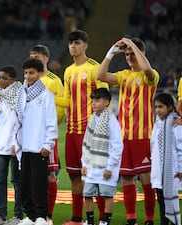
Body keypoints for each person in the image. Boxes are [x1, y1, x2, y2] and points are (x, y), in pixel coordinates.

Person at [97, 37, 159, 225]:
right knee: (126, 179)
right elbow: (100, 75)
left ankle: (149, 220)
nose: (130, 57)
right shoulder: (123, 75)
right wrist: (111, 52)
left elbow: (147, 70)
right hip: (123, 137)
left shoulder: (151, 75)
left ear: (142, 54)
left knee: (147, 179)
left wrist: (132, 45)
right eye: (127, 54)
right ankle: (131, 220)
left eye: (133, 53)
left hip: (143, 137)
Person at [60, 30, 109, 225]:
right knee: (74, 175)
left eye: (77, 43)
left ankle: (103, 218)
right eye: (71, 43)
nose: (73, 46)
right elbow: (65, 99)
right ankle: (77, 218)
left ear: (85, 45)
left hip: (89, 131)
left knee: (93, 175)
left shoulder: (94, 68)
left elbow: (104, 98)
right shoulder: (68, 70)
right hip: (71, 130)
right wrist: (47, 96)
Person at [15, 58, 58, 225]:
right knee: (25, 184)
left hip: (39, 146)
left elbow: (51, 121)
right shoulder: (21, 93)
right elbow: (17, 121)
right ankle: (30, 216)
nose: (28, 76)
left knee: (39, 184)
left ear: (39, 73)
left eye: (31, 73)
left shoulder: (45, 95)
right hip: (24, 146)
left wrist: (48, 144)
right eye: (25, 73)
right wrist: (15, 143)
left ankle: (41, 216)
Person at [29, 44, 67, 224]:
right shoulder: (29, 80)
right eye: (31, 56)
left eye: (37, 56)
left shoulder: (53, 80)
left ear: (45, 58)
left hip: (46, 135)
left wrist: (49, 128)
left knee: (49, 174)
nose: (34, 59)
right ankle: (36, 214)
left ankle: (48, 215)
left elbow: (60, 108)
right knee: (33, 175)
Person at [0, 66, 23, 225]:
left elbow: (20, 122)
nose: (0, 81)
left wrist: (16, 143)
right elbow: (0, 123)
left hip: (15, 146)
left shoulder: (19, 95)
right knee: (0, 180)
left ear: (13, 80)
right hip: (1, 146)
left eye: (4, 78)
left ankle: (18, 215)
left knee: (16, 181)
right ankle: (1, 215)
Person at [81, 88, 123, 225]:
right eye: (92, 100)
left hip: (106, 165)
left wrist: (110, 166)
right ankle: (90, 221)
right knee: (87, 194)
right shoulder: (92, 119)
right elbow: (87, 143)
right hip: (92, 165)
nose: (93, 103)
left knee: (107, 195)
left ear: (106, 102)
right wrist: (84, 164)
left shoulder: (111, 121)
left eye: (97, 100)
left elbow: (117, 146)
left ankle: (105, 221)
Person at [151, 93, 182, 225]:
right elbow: (153, 146)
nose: (157, 110)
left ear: (169, 107)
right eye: (156, 107)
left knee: (172, 202)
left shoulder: (176, 125)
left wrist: (180, 168)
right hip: (159, 170)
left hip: (171, 170)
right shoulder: (157, 124)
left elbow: (180, 149)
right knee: (162, 201)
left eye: (161, 107)